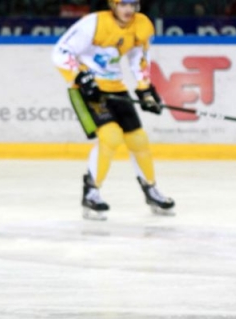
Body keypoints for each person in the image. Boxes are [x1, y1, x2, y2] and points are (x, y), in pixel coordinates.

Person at [53, 0, 175, 221]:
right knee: (110, 136)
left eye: (133, 4)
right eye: (123, 4)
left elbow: (139, 58)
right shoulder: (94, 24)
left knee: (138, 139)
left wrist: (144, 90)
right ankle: (91, 192)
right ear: (113, 5)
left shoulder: (141, 25)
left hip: (116, 87)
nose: (128, 9)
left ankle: (150, 189)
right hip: (87, 90)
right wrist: (81, 76)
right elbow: (60, 52)